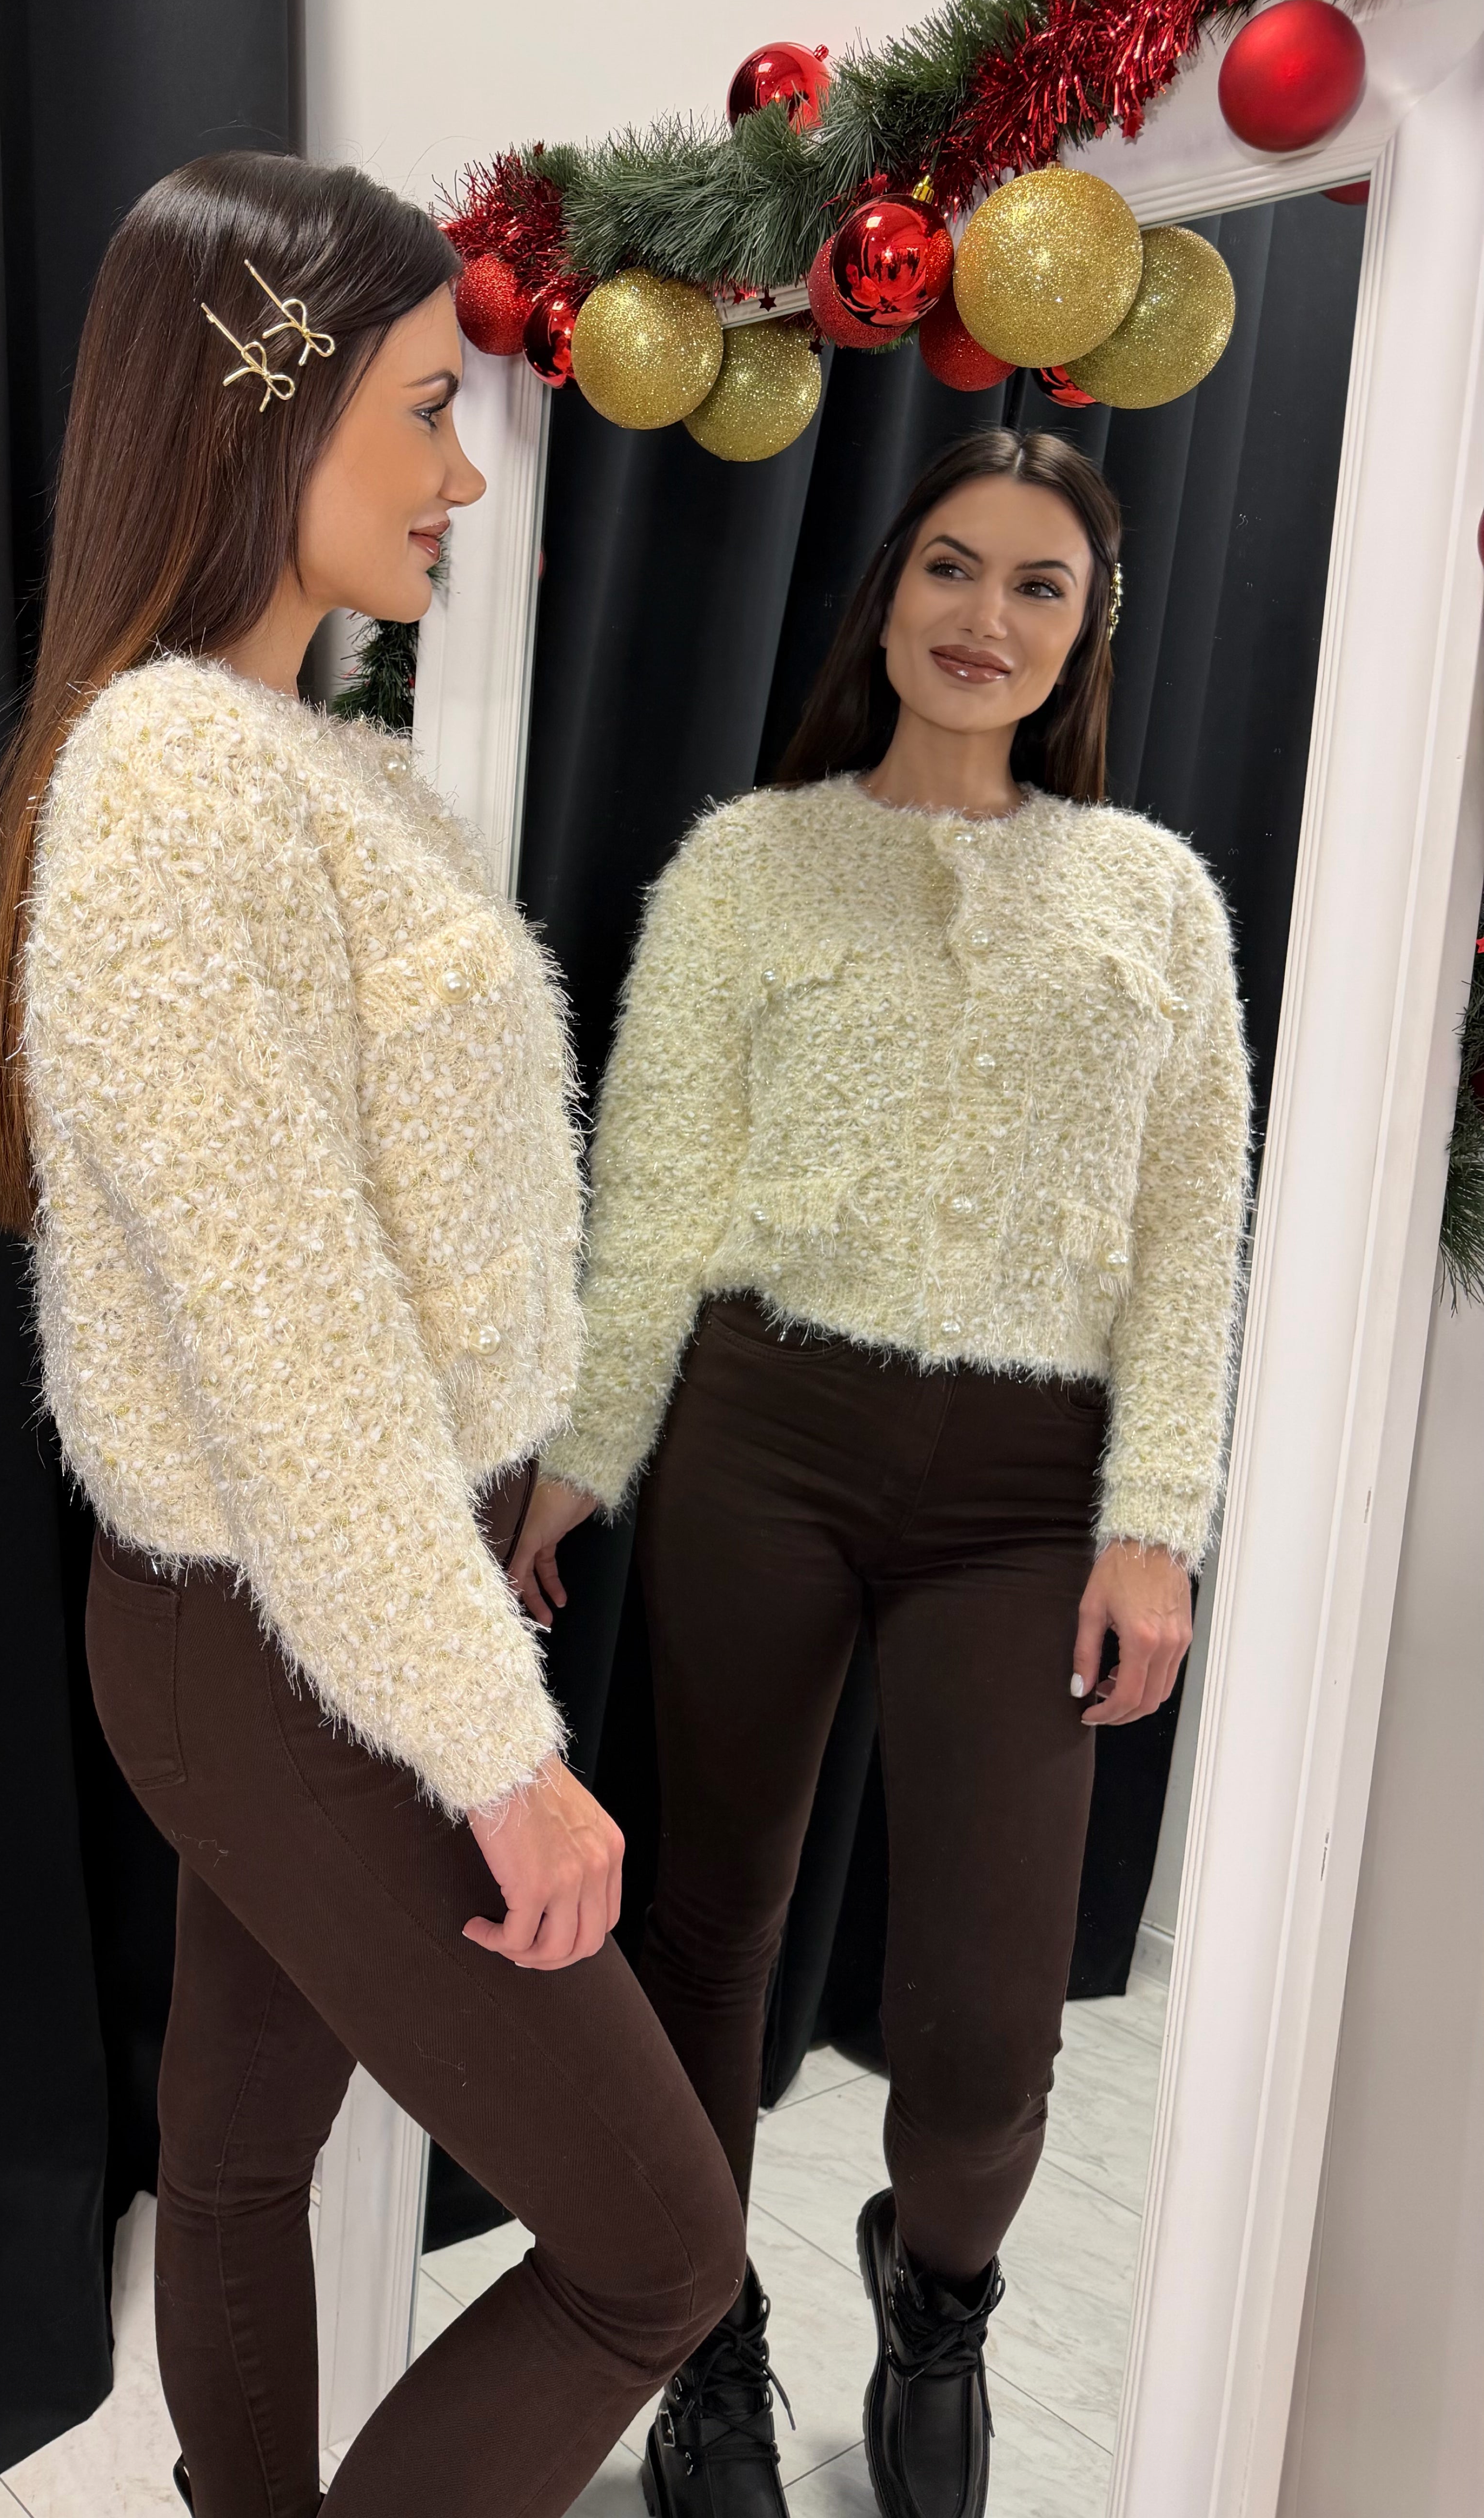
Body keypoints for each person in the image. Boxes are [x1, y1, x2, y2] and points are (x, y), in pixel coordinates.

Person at [0, 151, 744, 2518]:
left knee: (234, 2157)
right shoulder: (171, 793)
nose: (463, 477)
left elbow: (401, 1265)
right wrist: (499, 1753)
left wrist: (491, 1514)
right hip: (287, 1636)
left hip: (334, 1596)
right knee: (657, 2253)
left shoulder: (306, 765)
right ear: (257, 404)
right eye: (421, 410)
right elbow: (287, 1345)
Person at [511, 431, 1252, 2518]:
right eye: (949, 565)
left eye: (1037, 585)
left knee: (990, 2019)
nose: (982, 618)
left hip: (1027, 1492)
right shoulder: (749, 864)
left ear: (1085, 631)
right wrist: (583, 1454)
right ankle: (702, 2336)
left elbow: (1192, 1227)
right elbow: (656, 1187)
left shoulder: (1153, 898)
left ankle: (939, 2299)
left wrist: (1155, 1522)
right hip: (767, 1435)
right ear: (888, 592)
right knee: (710, 1930)